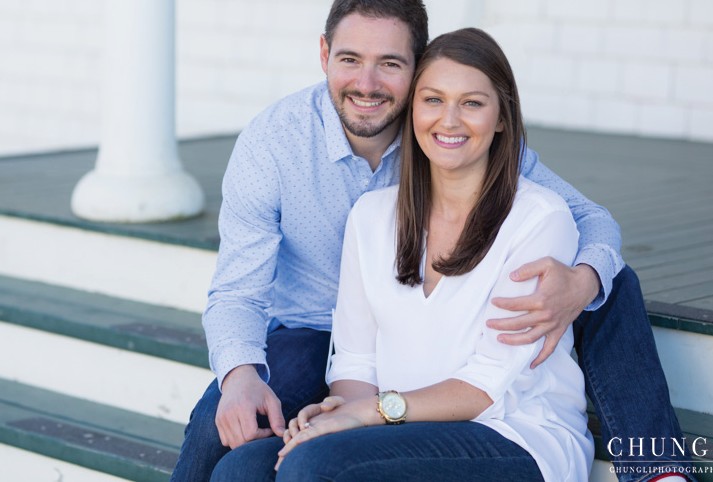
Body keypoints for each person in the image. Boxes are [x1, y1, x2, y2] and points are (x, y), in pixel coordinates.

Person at [169, 0, 692, 482]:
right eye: (350, 59)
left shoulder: (451, 133)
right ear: (325, 55)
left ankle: (657, 469)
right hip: (313, 332)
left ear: (417, 70)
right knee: (227, 424)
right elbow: (238, 289)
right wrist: (240, 374)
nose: (367, 84)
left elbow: (588, 219)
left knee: (611, 282)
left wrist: (583, 282)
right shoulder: (275, 144)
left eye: (390, 64)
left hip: (440, 362)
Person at [210, 27, 591, 482]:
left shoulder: (538, 219)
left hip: (514, 434)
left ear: (502, 117)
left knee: (315, 466)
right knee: (242, 469)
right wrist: (339, 412)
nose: (449, 120)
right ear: (413, 111)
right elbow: (354, 360)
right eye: (432, 100)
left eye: (471, 103)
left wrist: (367, 414)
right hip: (397, 426)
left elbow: (489, 384)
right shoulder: (371, 216)